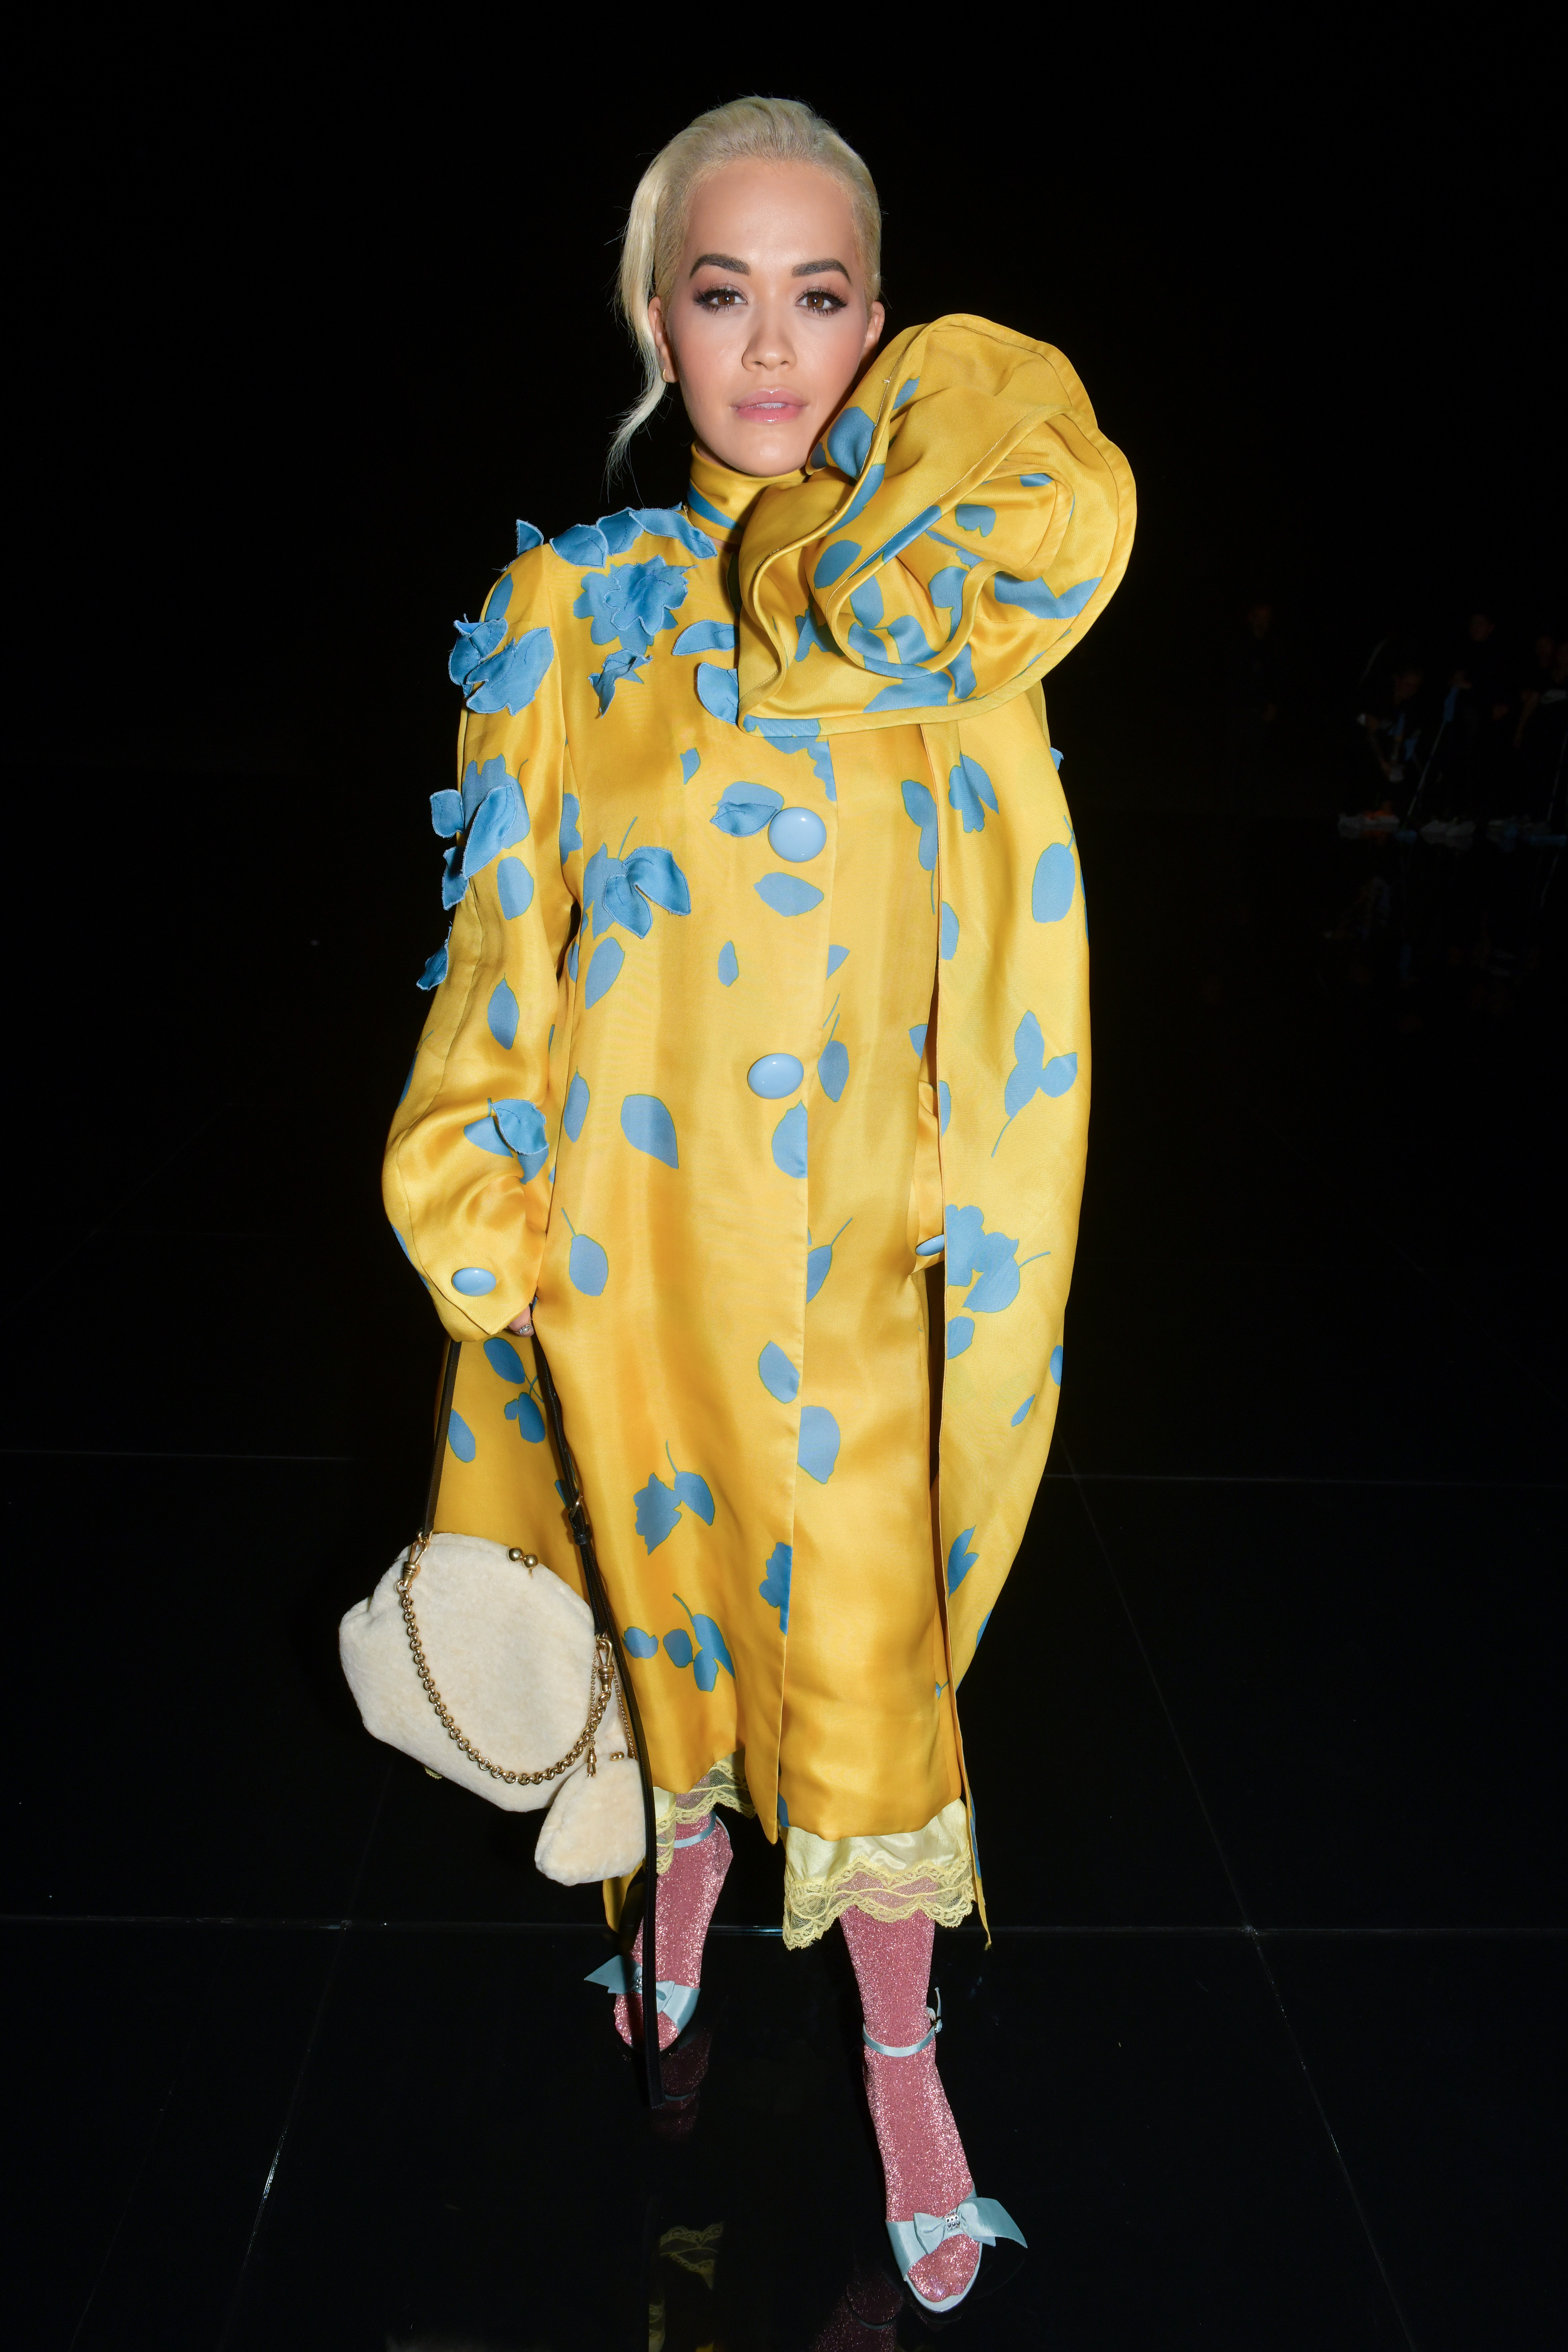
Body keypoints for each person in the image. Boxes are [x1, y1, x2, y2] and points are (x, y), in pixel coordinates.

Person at [384, 95, 1133, 2316]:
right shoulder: (572, 609)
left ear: (876, 327)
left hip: (865, 1255)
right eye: (725, 294)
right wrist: (482, 1188)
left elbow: (1002, 938)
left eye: (820, 297)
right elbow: (503, 937)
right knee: (663, 1593)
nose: (773, 344)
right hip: (635, 1258)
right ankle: (684, 1874)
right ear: (657, 321)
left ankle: (901, 2052)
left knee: (872, 1668)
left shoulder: (920, 615)